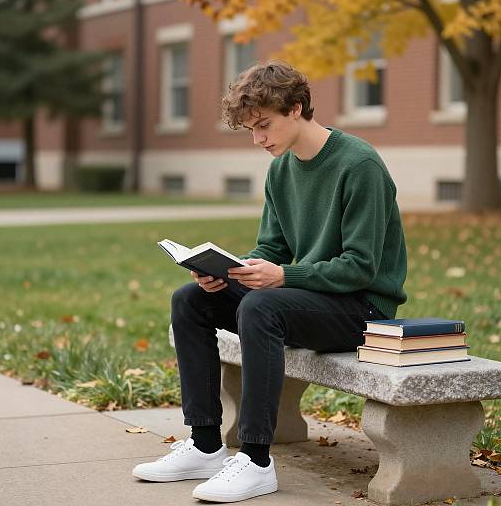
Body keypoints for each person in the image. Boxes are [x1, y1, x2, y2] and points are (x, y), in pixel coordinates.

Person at [132, 60, 407, 502]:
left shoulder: (359, 164)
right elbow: (272, 251)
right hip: (311, 297)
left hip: (364, 309)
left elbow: (361, 267)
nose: (259, 139)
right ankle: (204, 445)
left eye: (264, 126)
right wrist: (229, 271)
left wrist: (282, 276)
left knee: (261, 306)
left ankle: (257, 460)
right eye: (250, 130)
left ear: (296, 108)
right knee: (190, 300)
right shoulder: (281, 170)